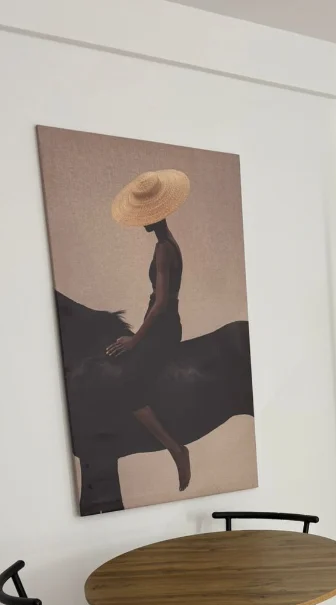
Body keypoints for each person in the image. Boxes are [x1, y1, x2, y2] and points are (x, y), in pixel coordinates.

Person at [108, 169, 192, 491]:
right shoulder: (170, 243)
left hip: (164, 327)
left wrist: (135, 340)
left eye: (146, 214)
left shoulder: (163, 249)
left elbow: (161, 303)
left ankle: (176, 448)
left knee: (128, 388)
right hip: (165, 324)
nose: (142, 221)